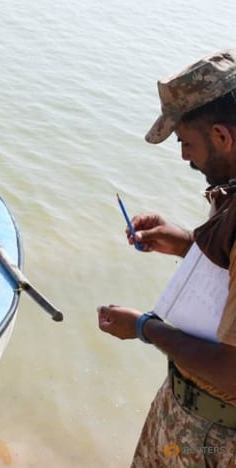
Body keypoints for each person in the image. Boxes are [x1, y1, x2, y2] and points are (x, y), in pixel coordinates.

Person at [97, 49, 236, 466]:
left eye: (186, 143)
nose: (184, 157)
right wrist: (182, 242)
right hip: (189, 415)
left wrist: (145, 328)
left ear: (222, 136)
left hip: (216, 440)